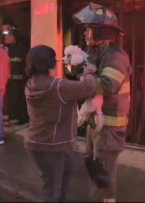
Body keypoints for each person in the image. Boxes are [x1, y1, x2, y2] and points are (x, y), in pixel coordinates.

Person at [72, 2, 132, 202]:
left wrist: (85, 79)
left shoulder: (116, 56)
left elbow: (107, 84)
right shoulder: (99, 54)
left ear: (101, 32)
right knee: (94, 168)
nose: (86, 34)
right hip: (96, 126)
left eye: (89, 30)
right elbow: (87, 76)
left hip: (108, 128)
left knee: (102, 176)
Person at [24, 45, 97, 202]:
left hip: (37, 142)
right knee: (54, 188)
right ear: (49, 63)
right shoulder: (57, 87)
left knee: (55, 182)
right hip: (54, 145)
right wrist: (89, 70)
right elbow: (89, 87)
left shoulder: (31, 83)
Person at [1, 25, 29, 125]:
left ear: (15, 37)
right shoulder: (2, 49)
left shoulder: (22, 49)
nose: (6, 38)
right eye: (5, 36)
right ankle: (8, 117)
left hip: (19, 81)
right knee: (6, 100)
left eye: (9, 36)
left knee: (18, 99)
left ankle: (19, 118)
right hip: (6, 80)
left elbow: (25, 64)